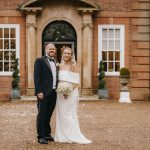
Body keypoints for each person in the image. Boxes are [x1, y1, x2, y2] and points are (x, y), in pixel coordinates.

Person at [54, 47, 92, 144]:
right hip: (60, 93)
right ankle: (61, 135)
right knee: (61, 114)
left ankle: (73, 134)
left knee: (68, 113)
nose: (66, 55)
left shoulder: (74, 66)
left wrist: (68, 91)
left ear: (71, 55)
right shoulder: (59, 66)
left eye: (68, 53)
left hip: (70, 93)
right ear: (62, 54)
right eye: (65, 53)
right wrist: (61, 90)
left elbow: (77, 82)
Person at [34, 43, 57, 144]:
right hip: (43, 93)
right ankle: (41, 136)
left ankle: (47, 134)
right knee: (42, 114)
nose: (51, 50)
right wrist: (39, 91)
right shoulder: (40, 60)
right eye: (50, 48)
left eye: (53, 49)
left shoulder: (55, 62)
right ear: (45, 49)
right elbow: (37, 77)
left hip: (53, 92)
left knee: (49, 114)